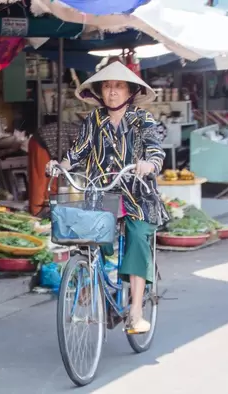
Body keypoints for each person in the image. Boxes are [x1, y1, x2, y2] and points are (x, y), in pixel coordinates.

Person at [47, 60, 168, 333]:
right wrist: (59, 166)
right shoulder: (93, 120)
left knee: (137, 238)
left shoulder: (142, 119)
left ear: (130, 91)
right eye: (107, 86)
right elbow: (76, 154)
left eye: (119, 86)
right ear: (100, 92)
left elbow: (155, 150)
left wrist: (149, 164)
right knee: (88, 236)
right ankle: (93, 287)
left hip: (138, 195)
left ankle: (135, 311)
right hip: (100, 193)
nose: (112, 92)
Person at [28, 116, 79, 216]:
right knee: (40, 179)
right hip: (42, 142)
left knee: (54, 179)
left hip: (53, 145)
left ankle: (49, 209)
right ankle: (36, 212)